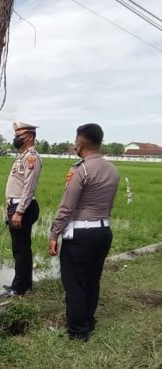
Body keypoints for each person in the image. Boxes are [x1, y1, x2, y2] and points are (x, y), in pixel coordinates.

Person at [49, 123, 119, 341]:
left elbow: (67, 207)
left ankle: (78, 331)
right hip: (103, 231)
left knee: (75, 282)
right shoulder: (113, 170)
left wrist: (54, 233)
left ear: (79, 143)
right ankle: (88, 320)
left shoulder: (82, 170)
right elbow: (109, 205)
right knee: (92, 279)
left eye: (75, 141)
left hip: (81, 235)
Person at [4, 121, 42, 296]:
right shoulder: (22, 156)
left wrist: (19, 211)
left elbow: (29, 186)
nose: (16, 139)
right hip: (16, 205)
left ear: (30, 137)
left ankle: (19, 288)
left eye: (20, 136)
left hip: (23, 207)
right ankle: (23, 284)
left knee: (20, 249)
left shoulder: (32, 157)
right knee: (21, 248)